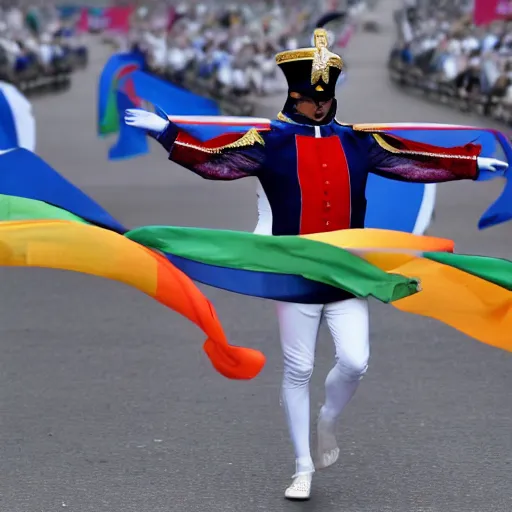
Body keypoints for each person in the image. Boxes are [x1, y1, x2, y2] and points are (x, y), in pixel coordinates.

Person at [124, 28, 507, 501]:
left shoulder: (356, 142)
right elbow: (215, 161)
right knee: (297, 369)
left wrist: (468, 165)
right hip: (294, 274)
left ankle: (326, 421)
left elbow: (411, 155)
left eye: (323, 99)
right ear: (294, 96)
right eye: (308, 99)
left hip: (346, 272)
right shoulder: (269, 142)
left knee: (355, 362)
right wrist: (169, 135)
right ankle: (302, 465)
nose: (318, 107)